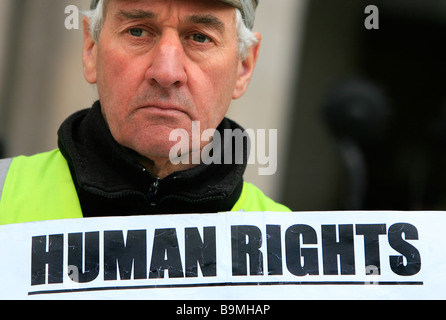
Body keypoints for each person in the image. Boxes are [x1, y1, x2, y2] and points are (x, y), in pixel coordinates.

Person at [0, 0, 290, 225]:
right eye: (137, 31)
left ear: (244, 67)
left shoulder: (291, 253)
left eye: (200, 38)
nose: (166, 72)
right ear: (91, 47)